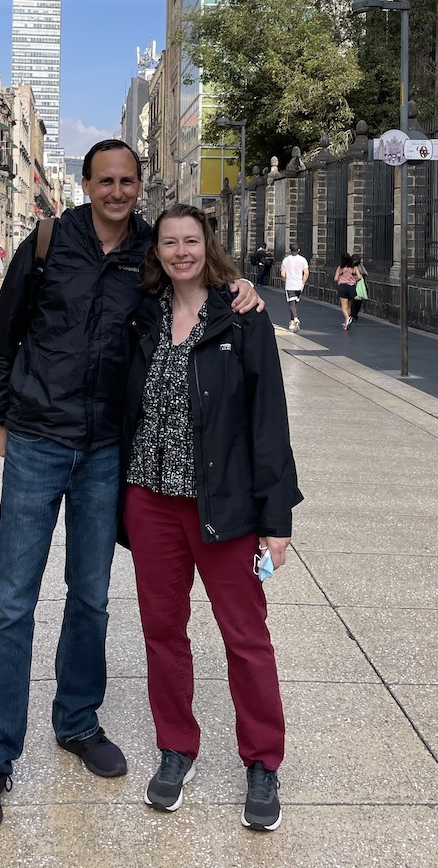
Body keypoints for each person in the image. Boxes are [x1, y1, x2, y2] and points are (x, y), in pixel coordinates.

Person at [0, 139, 263, 837]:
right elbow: (3, 339)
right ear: (88, 183)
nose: (118, 191)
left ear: (137, 185)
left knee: (91, 596)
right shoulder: (46, 243)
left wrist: (240, 289)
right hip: (37, 440)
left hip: (104, 451)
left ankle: (76, 720)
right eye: (106, 180)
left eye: (128, 181)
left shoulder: (150, 253)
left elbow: (196, 282)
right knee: (12, 601)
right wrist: (3, 412)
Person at [122, 204, 301, 832]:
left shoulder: (241, 315)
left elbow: (269, 419)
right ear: (156, 251)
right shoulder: (142, 315)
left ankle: (263, 760)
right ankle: (176, 747)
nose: (180, 252)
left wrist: (276, 519)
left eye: (191, 241)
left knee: (245, 634)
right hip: (150, 501)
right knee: (162, 630)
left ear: (208, 245)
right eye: (169, 242)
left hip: (223, 505)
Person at [280, 244, 309, 333]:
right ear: (298, 250)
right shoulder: (303, 259)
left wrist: (285, 278)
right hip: (299, 284)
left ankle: (295, 319)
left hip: (290, 284)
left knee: (291, 304)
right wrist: (303, 283)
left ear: (290, 250)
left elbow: (283, 274)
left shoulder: (286, 260)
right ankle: (292, 322)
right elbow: (306, 273)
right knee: (295, 303)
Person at [334, 253, 363, 331]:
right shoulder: (354, 268)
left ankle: (347, 318)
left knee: (344, 307)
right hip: (351, 287)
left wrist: (341, 279)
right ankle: (346, 323)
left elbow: (336, 278)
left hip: (343, 286)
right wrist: (354, 280)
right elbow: (359, 277)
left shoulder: (340, 267)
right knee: (349, 306)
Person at [350, 253, 368, 322]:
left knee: (358, 301)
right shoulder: (349, 266)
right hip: (352, 284)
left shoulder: (360, 266)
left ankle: (355, 314)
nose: (356, 261)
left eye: (357, 260)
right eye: (355, 260)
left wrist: (360, 273)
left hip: (360, 285)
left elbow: (365, 273)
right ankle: (353, 314)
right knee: (353, 300)